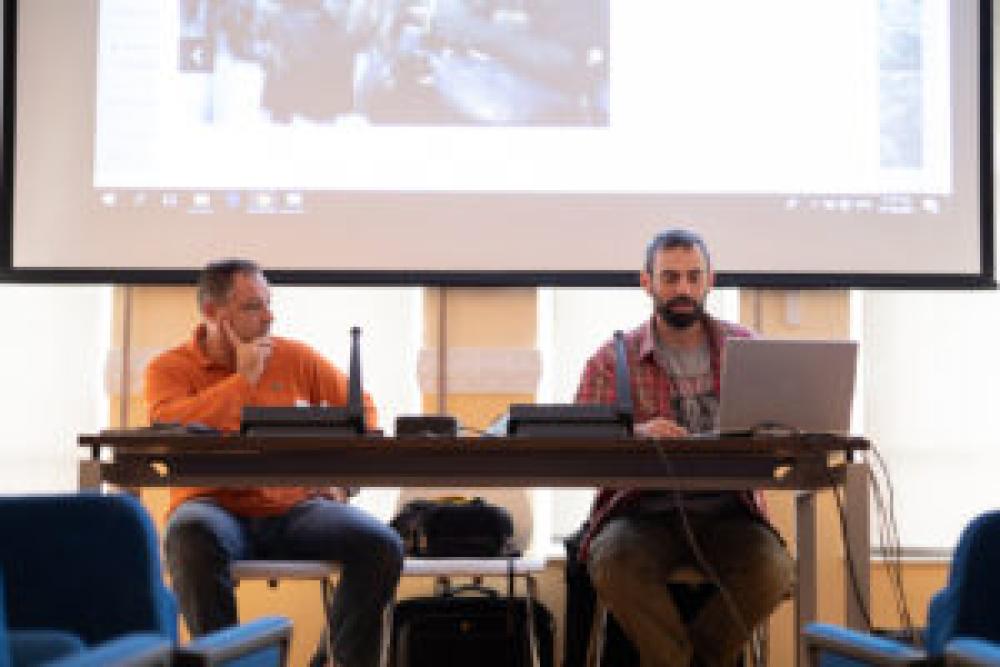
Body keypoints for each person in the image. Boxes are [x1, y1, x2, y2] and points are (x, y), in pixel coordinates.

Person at [144, 258, 403, 667]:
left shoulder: (294, 357)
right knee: (188, 533)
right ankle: (224, 663)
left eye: (269, 304)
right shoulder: (169, 369)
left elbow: (362, 413)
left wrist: (341, 485)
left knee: (382, 545)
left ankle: (335, 660)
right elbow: (172, 430)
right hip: (212, 507)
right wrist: (243, 381)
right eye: (253, 307)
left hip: (292, 509)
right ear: (212, 312)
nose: (269, 317)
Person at [575, 229, 795, 667]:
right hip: (641, 514)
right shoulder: (612, 359)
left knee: (773, 569)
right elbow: (581, 442)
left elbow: (783, 428)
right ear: (647, 282)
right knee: (612, 563)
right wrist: (637, 434)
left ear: (710, 280)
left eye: (694, 277)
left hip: (730, 513)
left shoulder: (748, 350)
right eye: (670, 277)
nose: (683, 289)